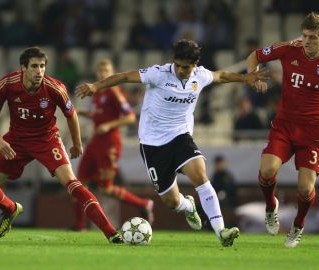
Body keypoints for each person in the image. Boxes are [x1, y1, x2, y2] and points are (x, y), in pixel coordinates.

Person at [76, 39, 269, 247]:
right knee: (171, 202)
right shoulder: (158, 74)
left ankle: (221, 231)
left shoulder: (200, 76)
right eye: (177, 64)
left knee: (200, 175)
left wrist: (245, 78)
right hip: (152, 144)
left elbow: (220, 75)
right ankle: (188, 206)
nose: (180, 70)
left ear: (195, 65)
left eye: (185, 67)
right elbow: (123, 76)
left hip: (180, 136)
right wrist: (96, 86)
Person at [0, 47, 123, 243]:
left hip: (47, 139)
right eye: (34, 66)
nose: (39, 71)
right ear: (23, 68)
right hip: (16, 141)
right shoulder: (7, 84)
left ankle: (111, 232)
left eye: (42, 66)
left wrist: (77, 143)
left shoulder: (55, 88)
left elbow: (71, 115)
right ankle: (11, 209)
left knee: (73, 183)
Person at [246, 12, 319, 248]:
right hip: (284, 125)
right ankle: (271, 206)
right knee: (267, 170)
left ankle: (297, 225)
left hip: (312, 133)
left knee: (305, 188)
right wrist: (252, 76)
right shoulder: (288, 49)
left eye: (313, 37)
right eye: (304, 36)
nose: (306, 41)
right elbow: (254, 56)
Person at [73, 59, 154, 231]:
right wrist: (80, 112)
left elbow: (131, 117)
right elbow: (97, 115)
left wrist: (109, 125)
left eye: (107, 71)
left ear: (112, 72)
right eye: (101, 71)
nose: (103, 74)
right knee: (78, 183)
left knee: (106, 189)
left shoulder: (115, 92)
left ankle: (144, 203)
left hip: (109, 143)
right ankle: (80, 226)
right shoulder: (97, 93)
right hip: (95, 141)